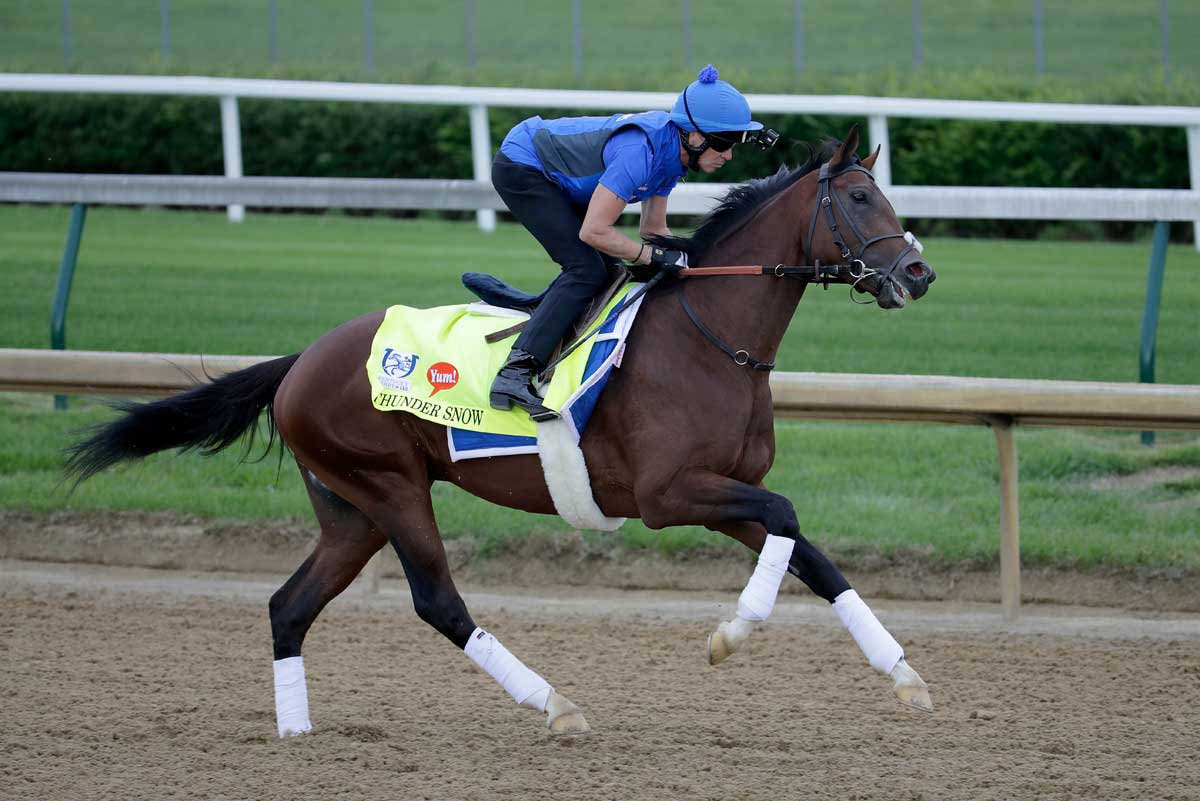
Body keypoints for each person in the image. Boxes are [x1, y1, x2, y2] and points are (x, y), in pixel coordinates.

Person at [488, 64, 775, 420]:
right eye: (724, 143)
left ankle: (555, 331)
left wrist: (699, 264)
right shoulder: (641, 152)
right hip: (523, 164)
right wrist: (653, 256)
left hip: (558, 176)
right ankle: (513, 372)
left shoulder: (673, 157)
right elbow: (594, 232)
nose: (729, 155)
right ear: (695, 137)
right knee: (586, 270)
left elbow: (653, 230)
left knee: (609, 273)